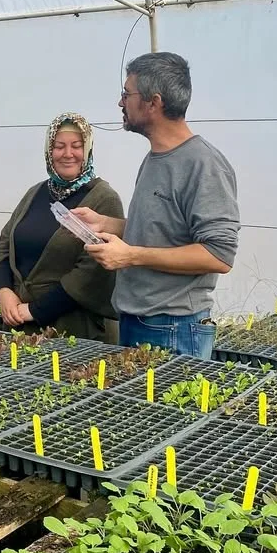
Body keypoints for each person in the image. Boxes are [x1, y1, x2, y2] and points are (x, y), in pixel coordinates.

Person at [72, 52, 239, 358]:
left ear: (153, 102)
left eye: (126, 94)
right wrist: (106, 225)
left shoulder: (203, 165)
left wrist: (130, 256)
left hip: (174, 329)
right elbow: (166, 230)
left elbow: (219, 254)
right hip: (139, 321)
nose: (120, 103)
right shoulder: (155, 158)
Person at [0, 112, 124, 342]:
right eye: (59, 146)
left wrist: (34, 310)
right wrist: (3, 292)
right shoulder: (36, 193)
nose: (67, 154)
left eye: (76, 146)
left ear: (88, 149)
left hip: (75, 332)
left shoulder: (103, 198)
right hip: (21, 328)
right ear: (49, 151)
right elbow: (4, 245)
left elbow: (93, 273)